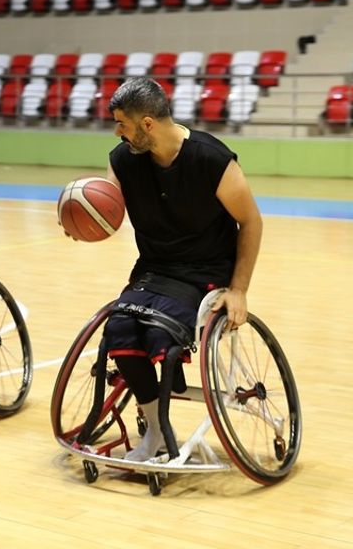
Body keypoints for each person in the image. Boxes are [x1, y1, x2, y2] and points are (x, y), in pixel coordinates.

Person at [87, 77, 262, 462]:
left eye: (122, 124)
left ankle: (157, 427)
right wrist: (81, 220)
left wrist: (239, 290)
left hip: (205, 272)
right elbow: (105, 207)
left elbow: (251, 222)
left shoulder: (211, 160)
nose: (117, 132)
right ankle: (156, 431)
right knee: (118, 326)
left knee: (156, 331)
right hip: (153, 268)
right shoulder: (123, 160)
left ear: (147, 124)